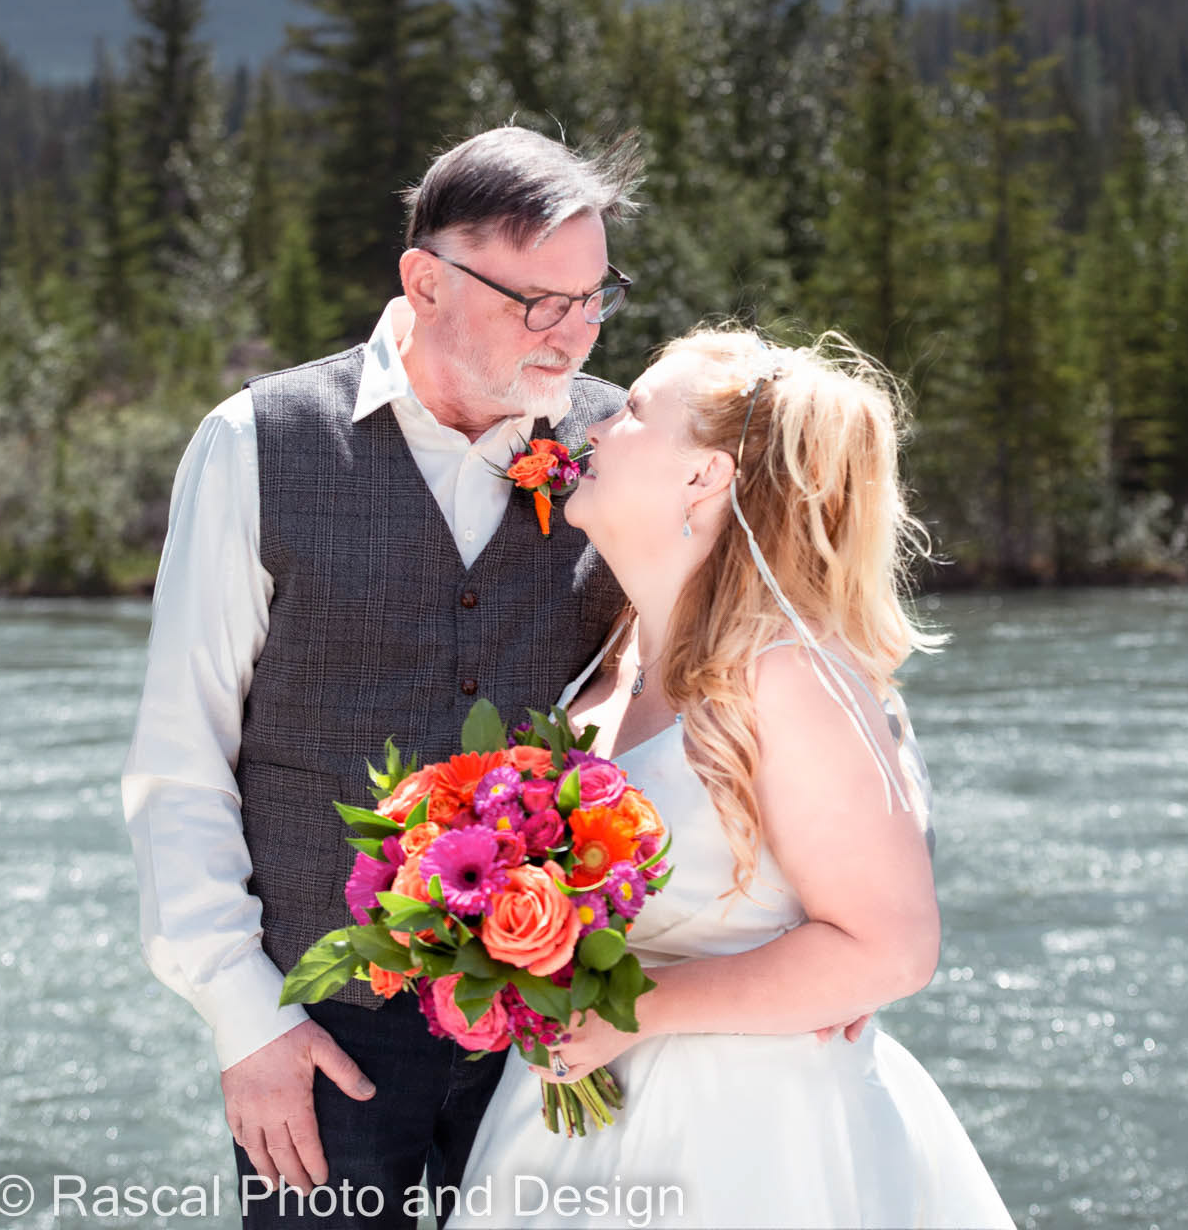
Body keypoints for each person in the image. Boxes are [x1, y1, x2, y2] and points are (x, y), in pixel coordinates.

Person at [121, 125, 646, 1227]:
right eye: (540, 301)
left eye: (595, 295)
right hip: (322, 1029)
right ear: (426, 279)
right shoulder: (257, 441)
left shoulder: (618, 442)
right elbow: (181, 757)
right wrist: (244, 1017)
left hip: (550, 1019)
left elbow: (701, 674)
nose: (577, 332)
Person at [448, 326, 1019, 1230]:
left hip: (748, 1146)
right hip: (572, 1132)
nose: (592, 430)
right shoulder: (614, 650)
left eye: (633, 413)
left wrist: (628, 1015)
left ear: (703, 477)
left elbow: (891, 948)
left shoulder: (785, 673)